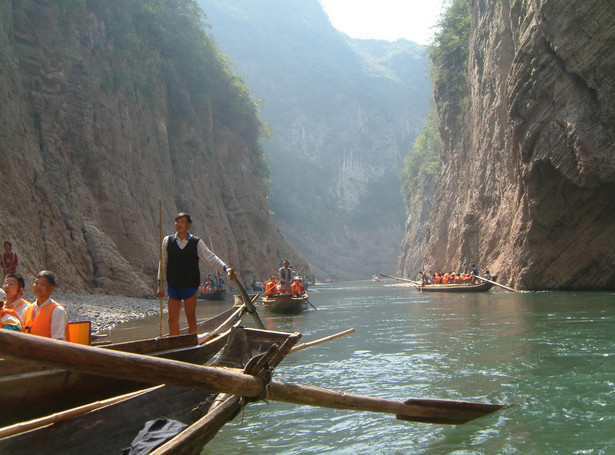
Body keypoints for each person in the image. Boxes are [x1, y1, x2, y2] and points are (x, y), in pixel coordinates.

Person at [157, 212, 235, 336]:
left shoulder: (196, 242)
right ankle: (173, 343)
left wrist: (225, 268)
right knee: (172, 319)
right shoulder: (168, 240)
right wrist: (160, 284)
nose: (179, 224)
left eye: (182, 222)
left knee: (191, 317)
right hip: (173, 284)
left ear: (189, 225)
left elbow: (210, 258)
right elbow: (163, 262)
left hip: (189, 284)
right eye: (177, 222)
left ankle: (192, 344)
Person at [23, 270, 69, 340]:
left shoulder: (57, 310)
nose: (38, 286)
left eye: (42, 284)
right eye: (36, 283)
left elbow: (58, 341)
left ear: (51, 289)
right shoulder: (28, 309)